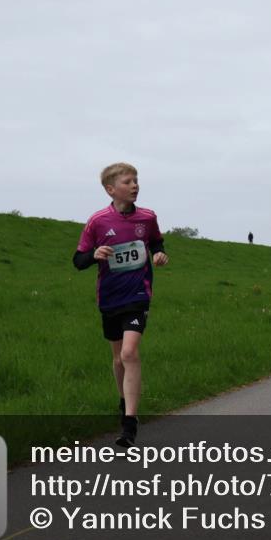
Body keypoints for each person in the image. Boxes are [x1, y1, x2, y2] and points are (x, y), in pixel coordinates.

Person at [73, 162, 168, 447]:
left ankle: (129, 423)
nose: (135, 185)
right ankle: (124, 400)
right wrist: (95, 254)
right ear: (111, 189)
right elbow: (78, 261)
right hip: (110, 298)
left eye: (136, 180)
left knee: (129, 353)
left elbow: (157, 243)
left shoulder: (147, 217)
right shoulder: (98, 221)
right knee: (118, 359)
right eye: (128, 181)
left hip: (138, 296)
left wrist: (160, 255)